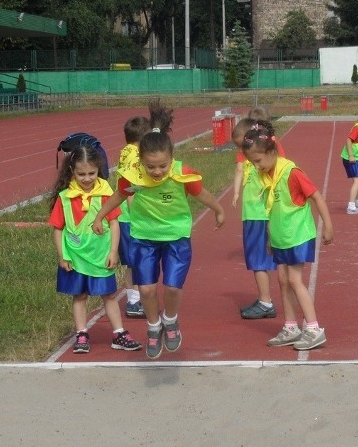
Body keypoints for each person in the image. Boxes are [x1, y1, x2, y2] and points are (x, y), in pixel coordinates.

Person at [92, 126, 225, 359]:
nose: (157, 171)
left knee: (172, 287)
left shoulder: (181, 173)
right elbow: (119, 196)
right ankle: (154, 326)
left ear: (171, 158)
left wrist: (218, 209)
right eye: (150, 166)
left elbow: (200, 193)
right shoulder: (135, 178)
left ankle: (170, 321)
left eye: (163, 166)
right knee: (146, 288)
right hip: (144, 237)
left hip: (176, 237)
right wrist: (100, 215)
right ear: (140, 161)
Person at [242, 121, 334, 350]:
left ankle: (313, 328)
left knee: (294, 280)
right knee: (283, 281)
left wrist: (328, 225)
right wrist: (271, 238)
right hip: (281, 237)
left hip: (298, 235)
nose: (255, 166)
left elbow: (317, 197)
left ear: (271, 152)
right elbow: (272, 209)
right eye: (252, 162)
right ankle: (291, 327)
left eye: (258, 161)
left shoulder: (291, 172)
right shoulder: (268, 176)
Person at [48, 144, 142, 354]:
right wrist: (62, 255)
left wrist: (113, 251)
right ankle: (81, 333)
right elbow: (57, 228)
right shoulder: (65, 198)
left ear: (99, 170)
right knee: (79, 296)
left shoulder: (107, 194)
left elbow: (115, 224)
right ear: (72, 171)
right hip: (75, 257)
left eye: (92, 173)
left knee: (109, 295)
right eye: (81, 174)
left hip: (100, 256)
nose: (87, 178)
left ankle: (119, 333)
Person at [231, 116, 283, 320]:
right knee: (256, 261)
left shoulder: (265, 159)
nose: (242, 151)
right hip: (252, 215)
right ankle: (264, 298)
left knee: (259, 261)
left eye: (243, 145)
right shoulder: (251, 159)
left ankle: (266, 302)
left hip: (259, 215)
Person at [116, 114, 152, 319]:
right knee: (134, 260)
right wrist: (136, 212)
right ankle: (133, 300)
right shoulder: (133, 156)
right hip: (130, 218)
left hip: (127, 216)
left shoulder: (126, 151)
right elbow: (131, 186)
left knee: (134, 260)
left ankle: (136, 297)